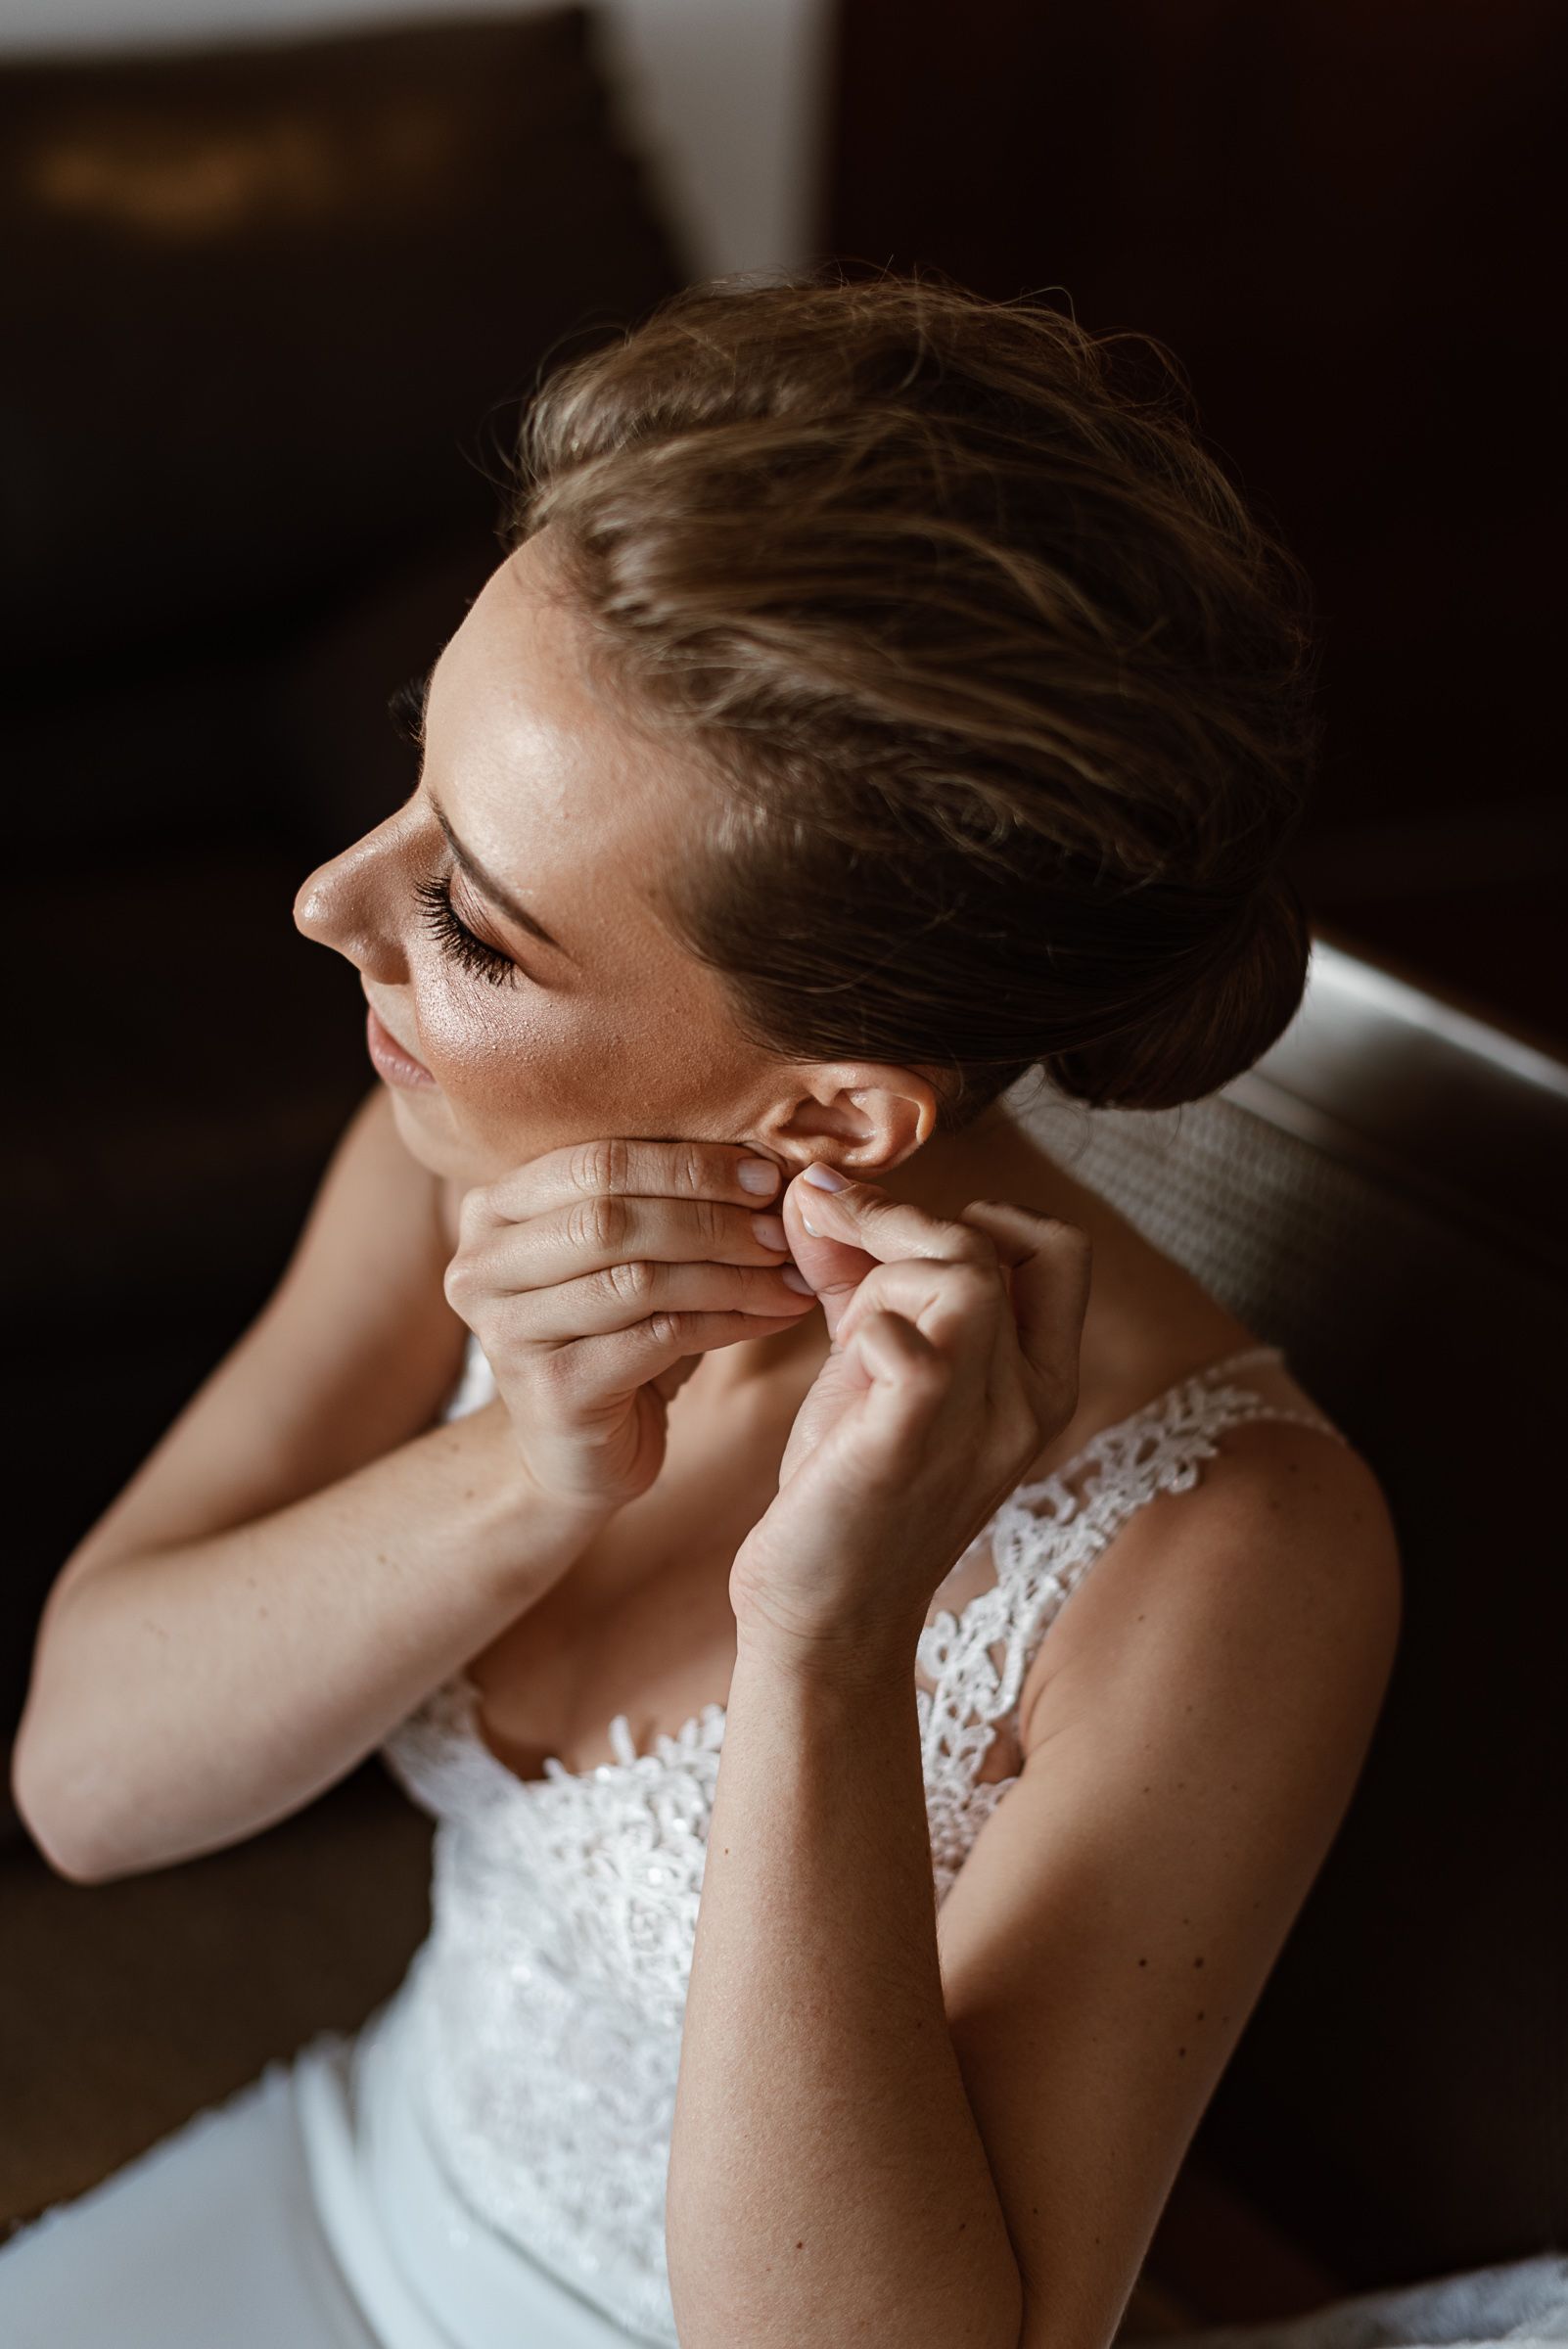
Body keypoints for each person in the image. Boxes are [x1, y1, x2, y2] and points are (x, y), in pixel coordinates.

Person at [3, 267, 1401, 2349]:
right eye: (419, 769)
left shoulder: (1230, 1554)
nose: (328, 904)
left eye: (468, 919)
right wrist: (522, 1470)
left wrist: (826, 1645)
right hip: (357, 2192)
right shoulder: (450, 1159)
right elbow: (87, 1788)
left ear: (828, 1109)